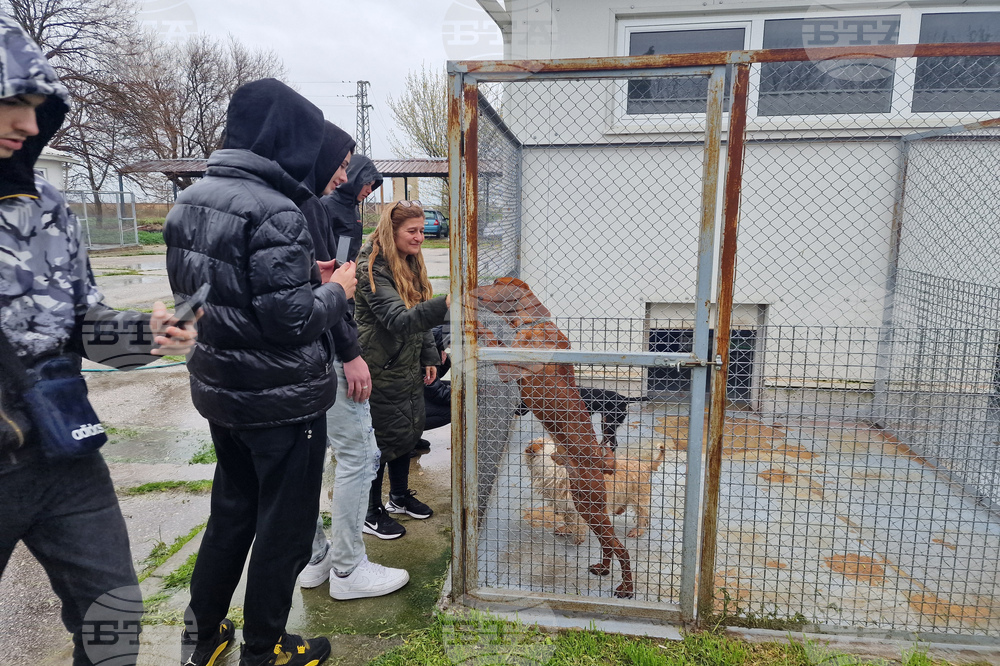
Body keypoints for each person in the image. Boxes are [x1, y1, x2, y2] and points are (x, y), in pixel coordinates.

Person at [0, 14, 197, 666]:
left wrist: (144, 334)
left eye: (35, 108)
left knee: (115, 618)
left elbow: (83, 322)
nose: (29, 126)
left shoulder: (50, 207)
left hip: (61, 448)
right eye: (10, 103)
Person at [164, 79, 356, 666]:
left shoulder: (191, 199)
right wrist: (336, 291)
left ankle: (203, 638)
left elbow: (205, 300)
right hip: (282, 405)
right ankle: (265, 647)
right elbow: (290, 322)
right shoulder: (276, 210)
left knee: (231, 516)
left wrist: (303, 278)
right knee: (284, 530)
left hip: (225, 396)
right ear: (283, 138)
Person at [298, 146, 408, 598]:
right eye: (343, 168)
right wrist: (349, 352)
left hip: (283, 364)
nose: (347, 180)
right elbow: (336, 287)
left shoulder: (253, 200)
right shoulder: (319, 208)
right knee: (358, 454)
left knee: (298, 464)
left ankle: (318, 556)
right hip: (322, 349)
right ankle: (347, 568)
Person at [356, 200, 450, 539]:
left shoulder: (408, 261)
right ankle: (370, 511)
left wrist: (429, 355)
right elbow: (398, 320)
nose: (420, 238)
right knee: (379, 441)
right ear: (390, 230)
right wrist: (447, 305)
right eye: (412, 231)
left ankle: (398, 497)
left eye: (422, 230)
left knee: (406, 431)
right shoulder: (371, 268)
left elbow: (418, 309)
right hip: (378, 366)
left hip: (406, 362)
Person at [320, 153, 383, 263]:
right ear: (354, 179)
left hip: (348, 271)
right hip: (330, 273)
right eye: (367, 183)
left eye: (372, 186)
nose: (370, 191)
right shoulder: (326, 204)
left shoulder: (353, 206)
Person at [413, 324, 451, 457]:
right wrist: (464, 394)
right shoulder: (423, 352)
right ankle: (407, 439)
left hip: (413, 394)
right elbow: (434, 391)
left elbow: (436, 379)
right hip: (403, 404)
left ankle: (412, 437)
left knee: (452, 387)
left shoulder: (434, 344)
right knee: (453, 408)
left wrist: (442, 361)